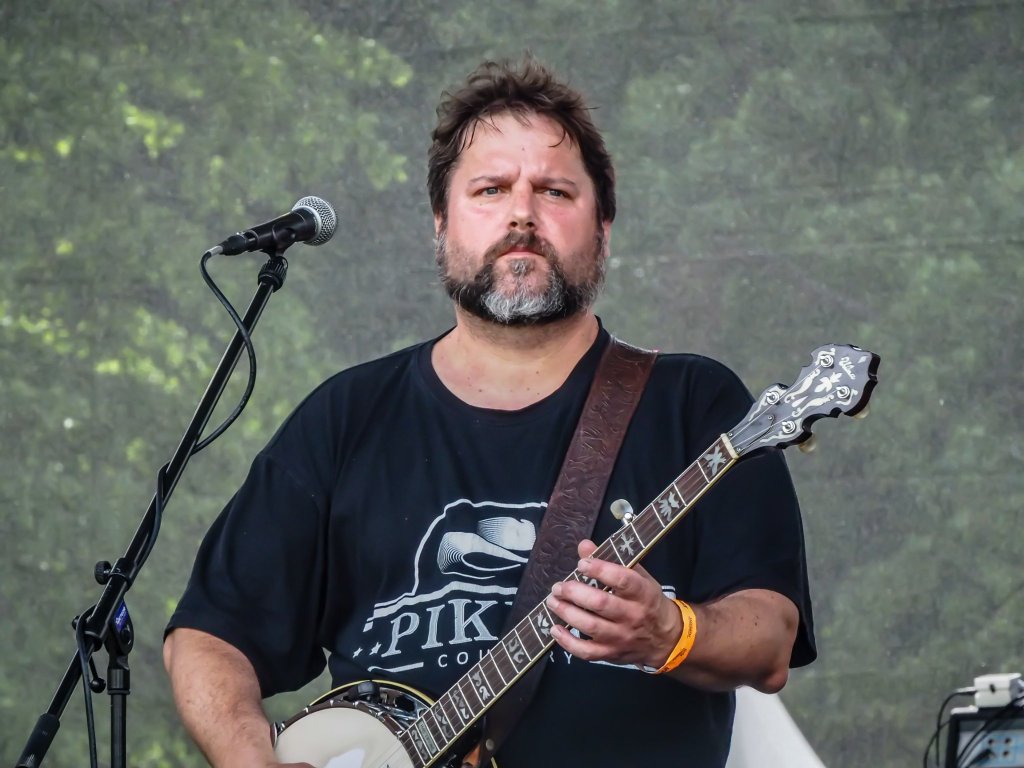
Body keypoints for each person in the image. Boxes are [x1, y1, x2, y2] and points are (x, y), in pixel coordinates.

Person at [163, 58, 816, 768]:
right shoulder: (346, 417)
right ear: (441, 223)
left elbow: (770, 637)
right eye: (490, 189)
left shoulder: (693, 402)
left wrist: (670, 632)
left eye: (555, 191)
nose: (522, 214)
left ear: (603, 227)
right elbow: (209, 636)